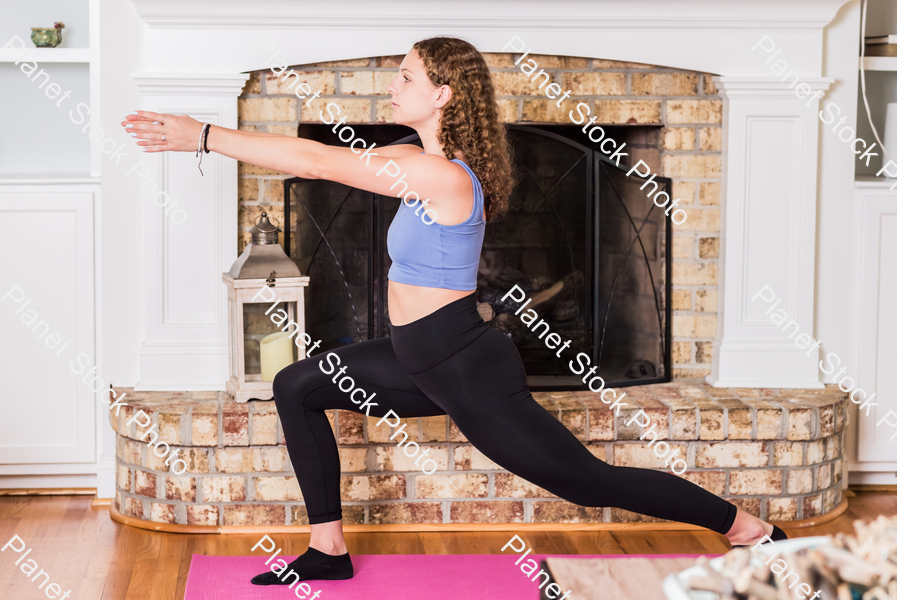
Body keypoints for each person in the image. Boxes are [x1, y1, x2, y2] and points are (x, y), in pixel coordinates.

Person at [120, 36, 786, 587]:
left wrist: (203, 134)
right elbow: (327, 158)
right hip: (417, 357)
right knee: (297, 384)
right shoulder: (413, 158)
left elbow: (315, 160)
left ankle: (748, 529)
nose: (392, 84)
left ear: (442, 94)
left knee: (586, 482)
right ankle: (328, 549)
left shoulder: (445, 178)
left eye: (405, 76)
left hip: (463, 366)